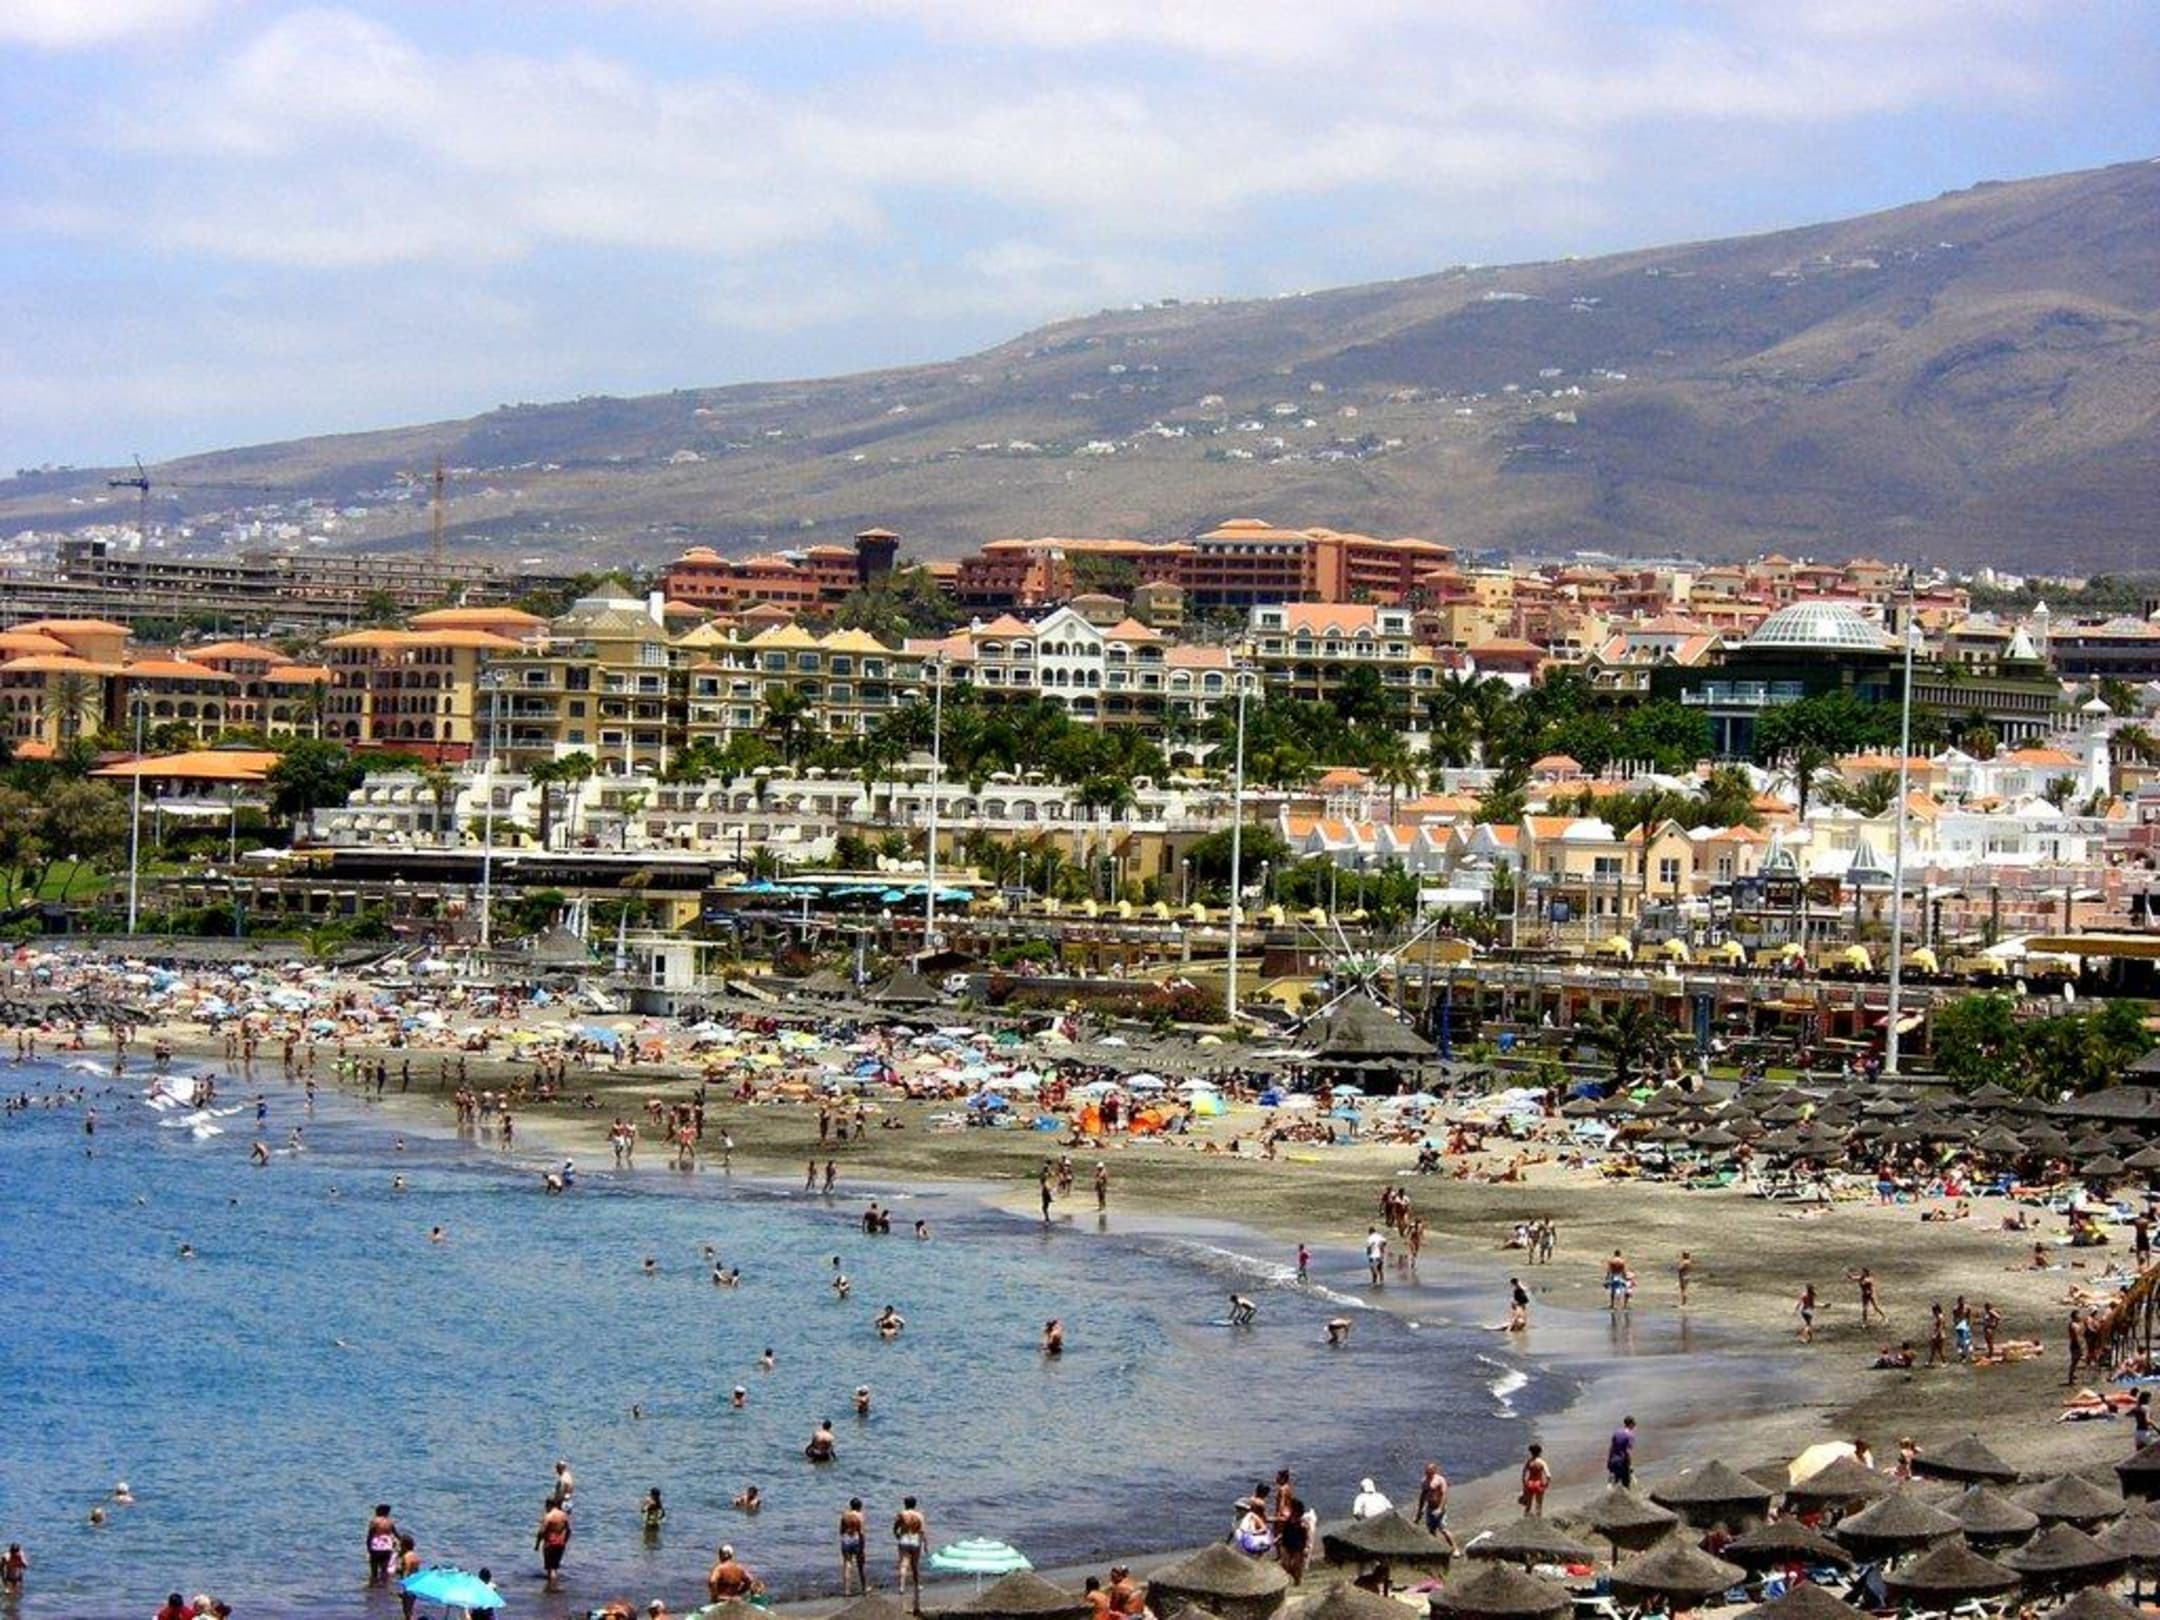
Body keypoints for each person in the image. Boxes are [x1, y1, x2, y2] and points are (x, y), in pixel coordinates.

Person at [894, 1496, 927, 1609]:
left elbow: (895, 1527)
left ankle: (901, 1587)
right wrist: (925, 1544)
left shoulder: (902, 1514)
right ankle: (917, 1585)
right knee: (915, 1565)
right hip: (915, 1540)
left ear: (905, 1504)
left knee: (903, 1564)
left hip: (904, 1539)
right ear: (915, 1504)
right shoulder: (920, 1515)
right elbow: (922, 1531)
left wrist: (897, 1535)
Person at [1416, 1462, 1456, 1553]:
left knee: (1443, 1529)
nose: (1428, 1474)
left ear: (1434, 1471)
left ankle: (1455, 1549)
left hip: (1439, 1507)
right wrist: (1420, 1510)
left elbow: (1444, 1495)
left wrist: (1440, 1509)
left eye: (1430, 1472)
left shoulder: (1440, 1480)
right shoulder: (1424, 1481)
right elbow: (1423, 1496)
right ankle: (1435, 1549)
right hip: (1430, 1508)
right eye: (1426, 1472)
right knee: (1431, 1530)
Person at [535, 1498, 572, 1592]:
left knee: (550, 1568)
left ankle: (551, 1588)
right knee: (555, 1567)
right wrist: (565, 1541)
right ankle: (554, 1587)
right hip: (560, 1544)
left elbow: (541, 1532)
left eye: (546, 1506)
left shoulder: (548, 1516)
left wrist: (537, 1544)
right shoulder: (564, 1515)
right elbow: (568, 1530)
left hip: (550, 1544)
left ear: (549, 1505)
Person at [840, 1498, 870, 1594]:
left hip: (846, 1539)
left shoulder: (845, 1515)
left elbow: (841, 1530)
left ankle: (846, 1590)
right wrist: (862, 1546)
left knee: (847, 1564)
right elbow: (861, 1532)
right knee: (860, 1565)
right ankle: (864, 1588)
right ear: (860, 1506)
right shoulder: (860, 1516)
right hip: (856, 1540)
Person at [367, 1504, 400, 1587]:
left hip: (376, 1547)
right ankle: (384, 1587)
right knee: (384, 1570)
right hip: (387, 1548)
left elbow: (370, 1535)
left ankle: (373, 1587)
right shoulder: (390, 1522)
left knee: (374, 1570)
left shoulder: (374, 1521)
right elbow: (396, 1535)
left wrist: (368, 1547)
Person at [1519, 1444, 1550, 1516]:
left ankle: (1525, 1519)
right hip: (1538, 1484)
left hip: (1530, 1484)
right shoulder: (1542, 1462)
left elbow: (1523, 1475)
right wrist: (1546, 1484)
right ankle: (1538, 1520)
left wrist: (1524, 1485)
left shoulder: (1529, 1462)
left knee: (1528, 1506)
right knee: (1539, 1505)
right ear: (1540, 1452)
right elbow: (1548, 1475)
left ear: (1531, 1452)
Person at [1607, 1416, 1638, 1488]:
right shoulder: (1630, 1435)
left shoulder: (1616, 1432)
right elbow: (1628, 1451)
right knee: (1626, 1485)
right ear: (1631, 1424)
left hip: (1614, 1461)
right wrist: (1630, 1465)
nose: (1634, 1426)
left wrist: (1609, 1461)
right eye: (1634, 1424)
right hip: (1622, 1461)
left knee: (1615, 1483)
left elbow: (1611, 1448)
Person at [397, 1535, 422, 1620]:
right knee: (410, 1609)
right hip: (414, 1585)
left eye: (400, 1545)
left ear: (404, 1546)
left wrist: (403, 1589)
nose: (399, 1547)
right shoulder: (415, 1556)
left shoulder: (406, 1556)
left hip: (408, 1586)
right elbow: (415, 1571)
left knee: (407, 1611)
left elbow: (406, 1572)